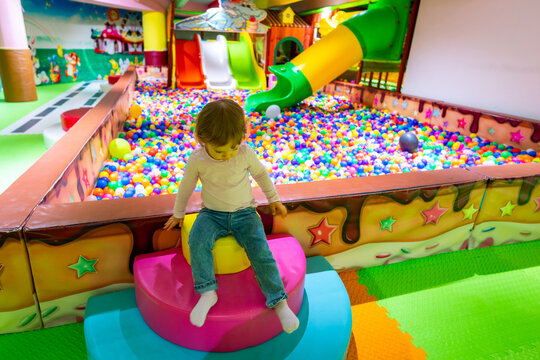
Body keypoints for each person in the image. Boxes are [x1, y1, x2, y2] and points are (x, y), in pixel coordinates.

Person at [164, 98, 299, 334]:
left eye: (233, 148)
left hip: (245, 213)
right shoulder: (197, 159)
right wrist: (178, 214)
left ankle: (279, 301)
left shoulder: (245, 153)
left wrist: (274, 199)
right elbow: (185, 188)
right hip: (211, 214)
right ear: (202, 139)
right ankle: (207, 292)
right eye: (220, 150)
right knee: (196, 239)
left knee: (261, 251)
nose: (227, 154)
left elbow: (262, 176)